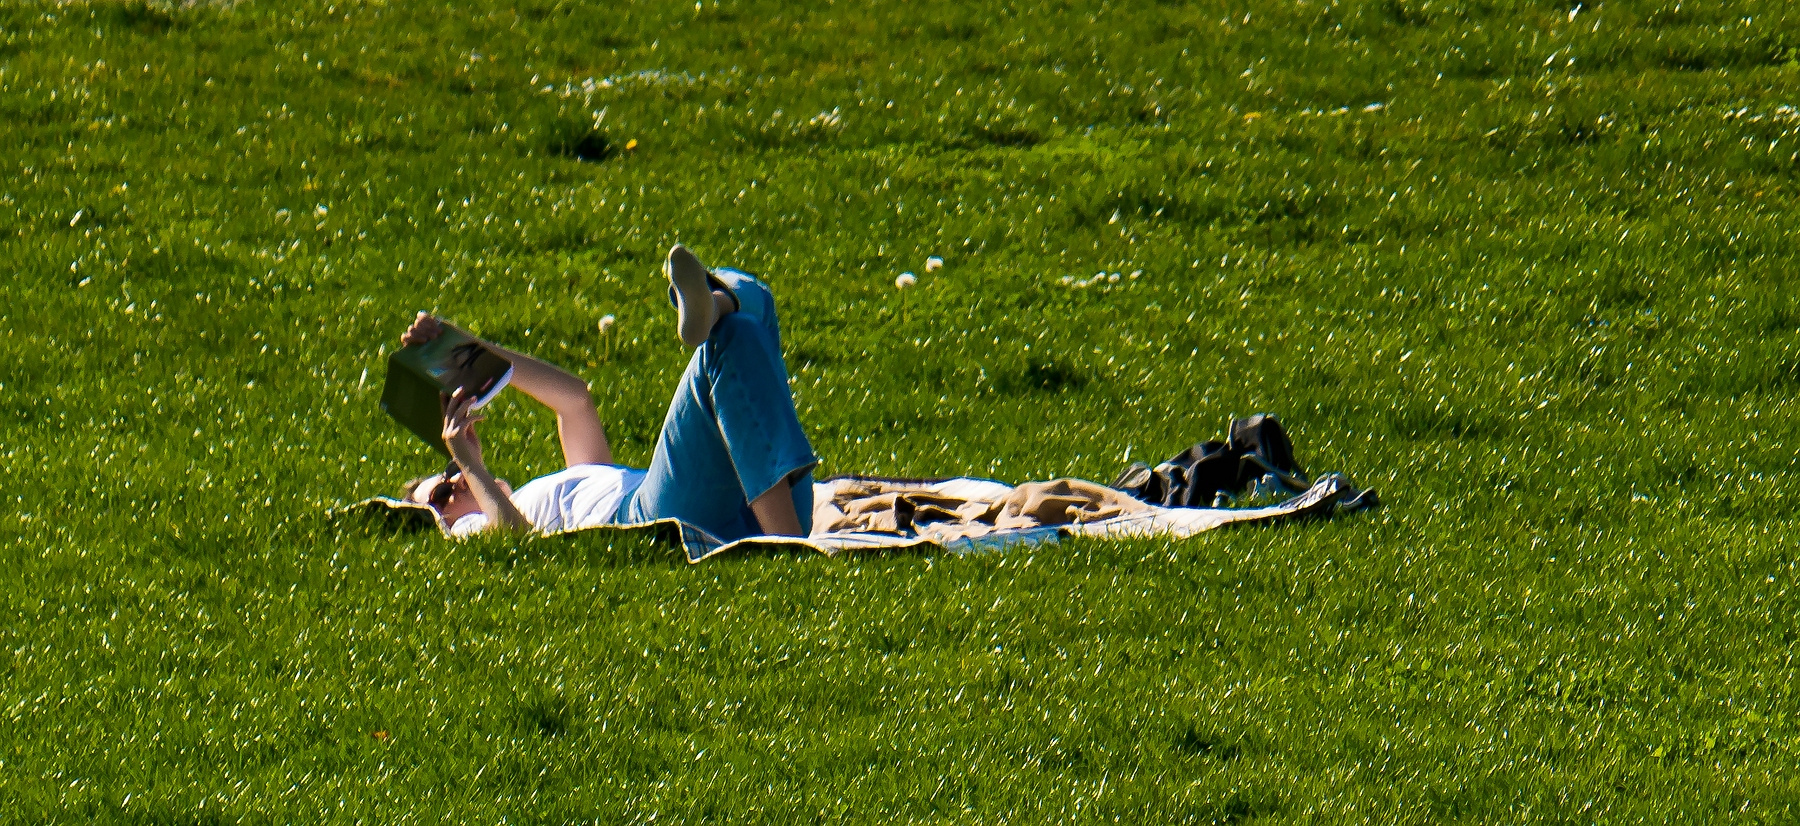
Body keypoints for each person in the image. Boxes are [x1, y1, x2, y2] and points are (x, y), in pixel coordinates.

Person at [400, 244, 818, 541]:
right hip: (649, 517)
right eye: (440, 496)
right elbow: (513, 539)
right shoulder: (474, 529)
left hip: (732, 502)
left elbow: (574, 399)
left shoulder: (556, 487)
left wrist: (468, 350)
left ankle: (715, 308)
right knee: (727, 343)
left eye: (448, 475)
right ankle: (787, 547)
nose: (453, 481)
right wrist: (469, 461)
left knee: (751, 305)